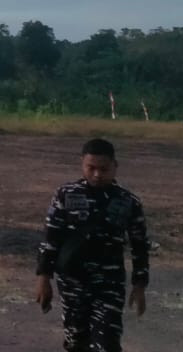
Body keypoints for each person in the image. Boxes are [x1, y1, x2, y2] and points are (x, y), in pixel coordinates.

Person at [36, 138, 149, 352]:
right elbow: (51, 237)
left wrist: (140, 284)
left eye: (104, 169)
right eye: (91, 168)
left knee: (107, 342)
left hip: (109, 283)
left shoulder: (128, 202)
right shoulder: (66, 194)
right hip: (72, 282)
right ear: (82, 164)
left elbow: (140, 245)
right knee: (76, 341)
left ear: (115, 166)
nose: (97, 174)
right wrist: (44, 278)